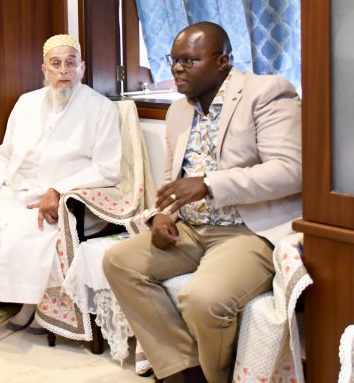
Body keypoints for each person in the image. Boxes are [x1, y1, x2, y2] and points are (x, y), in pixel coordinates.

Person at [102, 22, 302, 383]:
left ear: (223, 60)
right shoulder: (179, 111)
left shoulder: (267, 92)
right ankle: (185, 369)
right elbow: (170, 183)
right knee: (119, 261)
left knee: (204, 299)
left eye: (188, 61)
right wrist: (159, 217)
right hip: (190, 228)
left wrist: (210, 184)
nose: (177, 69)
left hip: (247, 231)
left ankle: (216, 377)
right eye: (173, 60)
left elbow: (291, 171)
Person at [0, 34, 122, 332]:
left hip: (58, 199)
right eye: (56, 64)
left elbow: (107, 168)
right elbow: (4, 155)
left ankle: (34, 306)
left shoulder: (101, 108)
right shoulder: (26, 103)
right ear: (44, 70)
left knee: (24, 234)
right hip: (16, 191)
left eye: (70, 63)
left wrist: (59, 189)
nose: (64, 70)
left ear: (82, 68)